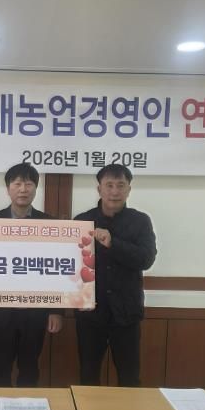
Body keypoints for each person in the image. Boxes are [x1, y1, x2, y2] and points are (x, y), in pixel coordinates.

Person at [0, 162, 64, 387]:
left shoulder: (51, 224)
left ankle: (28, 408)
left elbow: (58, 271)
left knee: (30, 368)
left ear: (36, 188)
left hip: (36, 312)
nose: (23, 189)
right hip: (0, 312)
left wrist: (56, 310)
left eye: (29, 184)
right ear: (8, 189)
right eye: (17, 184)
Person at [73, 164, 157, 387]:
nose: (114, 191)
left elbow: (146, 259)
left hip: (126, 314)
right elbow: (70, 267)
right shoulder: (82, 221)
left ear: (129, 189)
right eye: (109, 185)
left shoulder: (141, 221)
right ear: (99, 189)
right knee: (88, 377)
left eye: (121, 185)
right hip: (90, 314)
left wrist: (113, 243)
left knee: (129, 378)